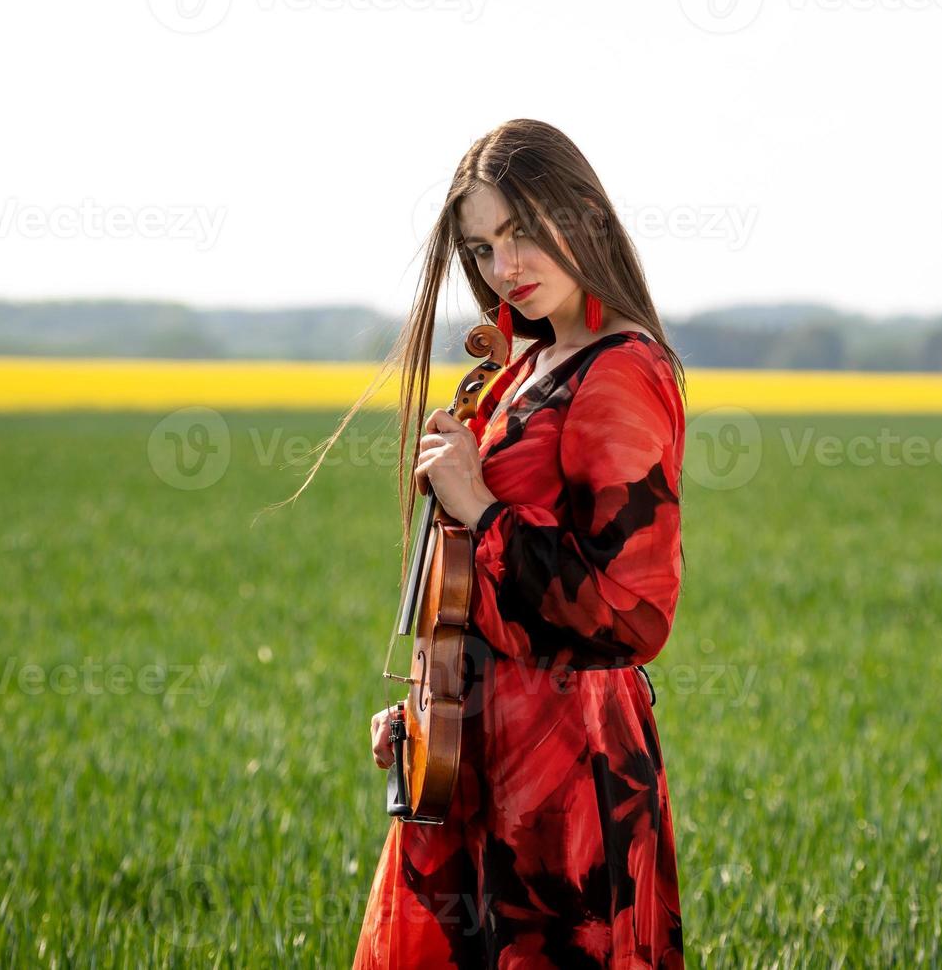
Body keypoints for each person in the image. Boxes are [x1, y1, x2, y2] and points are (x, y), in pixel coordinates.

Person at [289, 118, 690, 968]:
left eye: (522, 232)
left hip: (564, 786)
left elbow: (632, 612)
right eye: (482, 247)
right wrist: (425, 713)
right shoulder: (521, 368)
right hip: (471, 771)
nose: (504, 267)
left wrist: (480, 506)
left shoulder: (622, 374)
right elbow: (475, 604)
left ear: (582, 213)